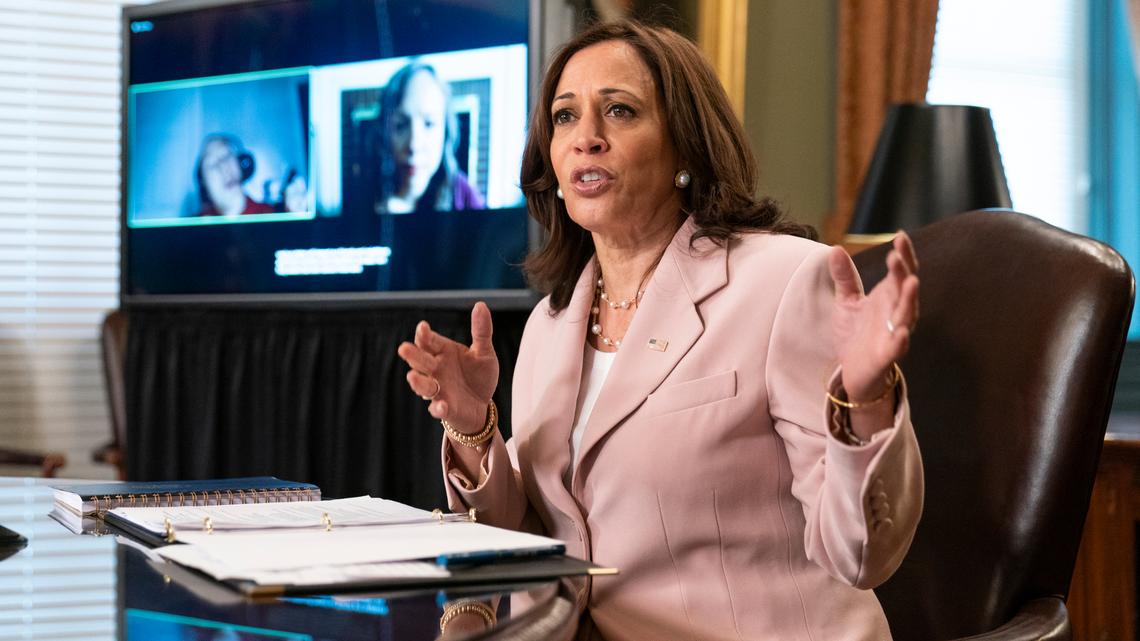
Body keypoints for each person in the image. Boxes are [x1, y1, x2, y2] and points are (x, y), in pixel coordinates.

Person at [397, 20, 922, 641]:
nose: (586, 138)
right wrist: (473, 429)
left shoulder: (784, 281)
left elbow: (858, 554)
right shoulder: (551, 323)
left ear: (686, 147)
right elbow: (539, 533)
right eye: (565, 117)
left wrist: (863, 401)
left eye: (619, 110)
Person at [374, 62, 485, 214]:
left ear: (446, 133)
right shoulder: (362, 195)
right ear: (384, 134)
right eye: (400, 125)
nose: (414, 145)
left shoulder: (464, 194)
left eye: (429, 124)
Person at [194, 134, 274, 217]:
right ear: (204, 183)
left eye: (227, 156)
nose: (225, 168)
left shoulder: (270, 215)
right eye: (213, 165)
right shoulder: (196, 223)